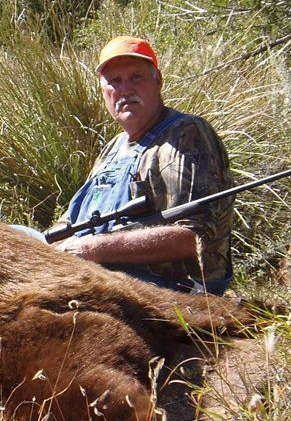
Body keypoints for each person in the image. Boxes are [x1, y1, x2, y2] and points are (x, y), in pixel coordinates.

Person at [25, 36, 234, 295]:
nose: (125, 90)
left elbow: (192, 238)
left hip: (172, 294)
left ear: (157, 81)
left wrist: (90, 249)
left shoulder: (185, 134)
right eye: (115, 81)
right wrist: (41, 246)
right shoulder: (113, 147)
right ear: (103, 91)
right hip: (102, 277)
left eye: (136, 77)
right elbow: (73, 219)